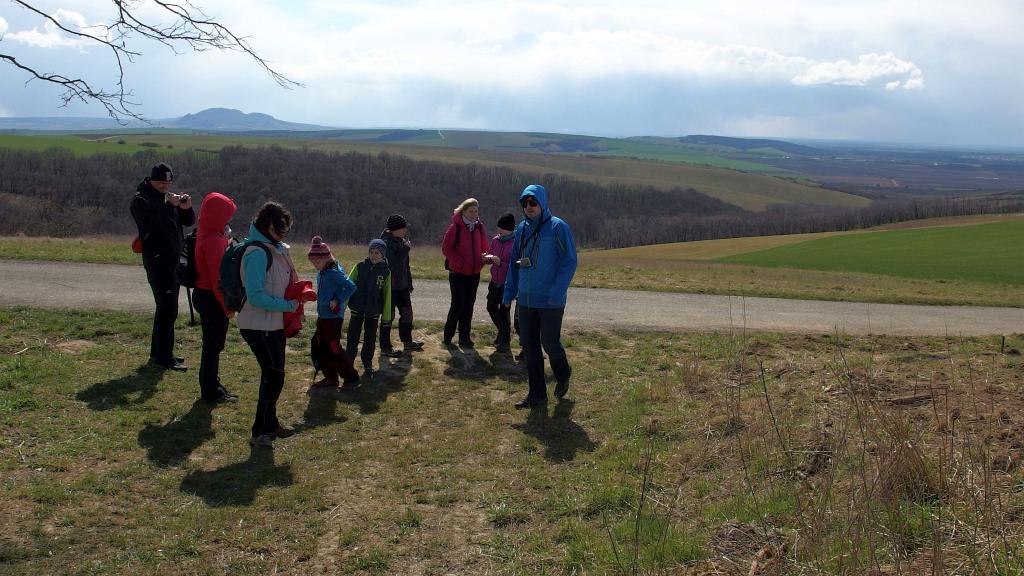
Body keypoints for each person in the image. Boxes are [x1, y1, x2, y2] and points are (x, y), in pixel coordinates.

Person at [237, 202, 312, 449]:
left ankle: (270, 424)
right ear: (269, 226)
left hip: (274, 323)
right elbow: (255, 296)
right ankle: (259, 432)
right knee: (273, 377)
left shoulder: (277, 248)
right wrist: (288, 305)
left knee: (275, 375)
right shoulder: (257, 253)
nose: (284, 234)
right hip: (257, 325)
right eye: (281, 229)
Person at [502, 184, 578, 408]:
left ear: (542, 203)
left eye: (533, 202)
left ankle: (563, 373)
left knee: (549, 343)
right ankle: (537, 395)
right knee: (530, 346)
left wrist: (557, 292)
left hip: (550, 301)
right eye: (525, 203)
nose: (529, 206)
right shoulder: (521, 229)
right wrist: (509, 293)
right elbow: (514, 264)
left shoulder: (558, 227)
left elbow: (569, 261)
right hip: (526, 299)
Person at [130, 162, 195, 371]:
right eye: (160, 182)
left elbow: (187, 222)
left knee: (165, 308)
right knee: (168, 309)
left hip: (173, 260)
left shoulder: (166, 198)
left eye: (167, 183)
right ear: (151, 180)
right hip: (158, 261)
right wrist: (169, 206)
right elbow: (152, 228)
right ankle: (165, 357)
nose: (164, 186)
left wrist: (186, 208)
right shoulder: (141, 200)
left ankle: (158, 352)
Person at [192, 192, 239, 403]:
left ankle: (212, 384)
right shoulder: (212, 240)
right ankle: (210, 390)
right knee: (213, 346)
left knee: (213, 345)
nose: (229, 220)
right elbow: (217, 280)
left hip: (205, 296)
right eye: (227, 216)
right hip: (211, 298)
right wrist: (228, 307)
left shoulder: (207, 232)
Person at [307, 235, 360, 390]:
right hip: (323, 316)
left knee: (333, 347)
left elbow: (351, 286)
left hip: (333, 318)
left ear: (327, 259)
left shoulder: (334, 272)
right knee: (319, 345)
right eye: (313, 262)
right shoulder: (322, 272)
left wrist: (337, 299)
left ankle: (351, 377)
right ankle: (330, 378)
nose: (315, 265)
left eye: (318, 262)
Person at [440, 198, 488, 348]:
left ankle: (464, 338)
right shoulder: (455, 228)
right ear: (463, 212)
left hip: (474, 273)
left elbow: (484, 247)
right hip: (457, 273)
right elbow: (446, 249)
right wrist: (460, 263)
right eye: (470, 211)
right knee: (457, 305)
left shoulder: (479, 227)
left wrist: (483, 259)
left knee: (469, 306)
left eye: (476, 211)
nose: (474, 214)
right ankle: (447, 337)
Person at [345, 239, 393, 380]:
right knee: (352, 338)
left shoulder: (386, 272)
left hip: (373, 312)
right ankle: (348, 363)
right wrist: (342, 307)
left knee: (370, 339)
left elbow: (387, 295)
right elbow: (348, 286)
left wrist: (386, 317)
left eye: (377, 252)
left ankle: (367, 364)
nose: (373, 255)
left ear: (382, 255)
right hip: (357, 309)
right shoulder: (359, 267)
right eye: (371, 252)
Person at [379, 214, 424, 356]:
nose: (406, 230)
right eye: (404, 227)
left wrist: (409, 283)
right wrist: (405, 250)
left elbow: (405, 266)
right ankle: (385, 347)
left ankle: (407, 342)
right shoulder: (385, 243)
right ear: (395, 229)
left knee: (407, 314)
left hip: (403, 286)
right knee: (388, 316)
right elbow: (391, 264)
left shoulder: (401, 241)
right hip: (390, 287)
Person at [483, 213, 517, 352]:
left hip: (507, 282)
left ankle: (505, 341)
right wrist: (487, 258)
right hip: (494, 280)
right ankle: (503, 334)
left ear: (510, 229)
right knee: (491, 307)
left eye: (502, 228)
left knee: (504, 311)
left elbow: (515, 267)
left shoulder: (516, 243)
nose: (499, 230)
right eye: (499, 227)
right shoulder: (495, 240)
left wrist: (500, 263)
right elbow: (491, 255)